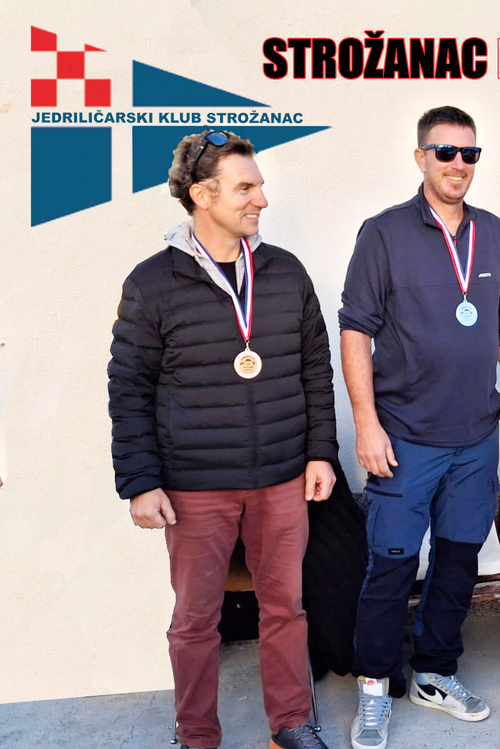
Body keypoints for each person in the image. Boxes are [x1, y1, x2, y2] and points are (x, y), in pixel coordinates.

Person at [108, 130, 337, 749]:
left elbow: (315, 368)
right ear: (202, 195)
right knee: (195, 620)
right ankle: (197, 734)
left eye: (259, 185)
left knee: (286, 610)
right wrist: (141, 482)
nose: (261, 198)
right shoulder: (152, 283)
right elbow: (128, 388)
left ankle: (291, 724)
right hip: (195, 486)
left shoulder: (285, 272)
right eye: (246, 188)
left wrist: (320, 452)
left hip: (281, 478)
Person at [339, 105, 500, 749]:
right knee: (391, 565)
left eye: (469, 153)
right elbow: (356, 331)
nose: (458, 164)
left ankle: (435, 673)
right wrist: (366, 424)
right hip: (405, 438)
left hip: (475, 438)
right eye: (445, 151)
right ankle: (374, 687)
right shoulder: (384, 233)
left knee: (458, 561)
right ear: (420, 157)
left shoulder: (494, 233)